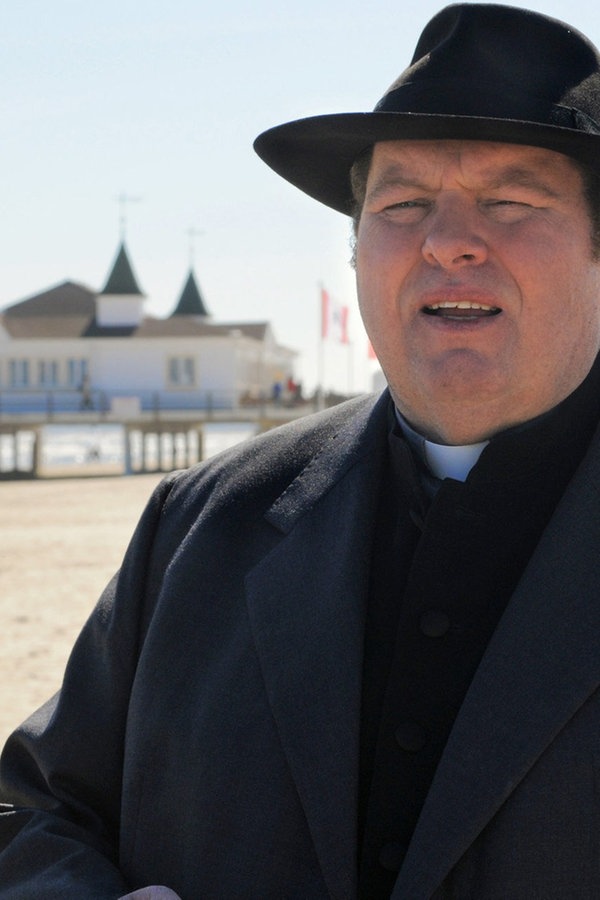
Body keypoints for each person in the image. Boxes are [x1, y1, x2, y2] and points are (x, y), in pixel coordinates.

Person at [2, 4, 600, 897]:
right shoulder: (200, 520)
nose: (446, 240)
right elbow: (35, 806)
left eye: (510, 201)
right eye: (401, 205)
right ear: (356, 253)